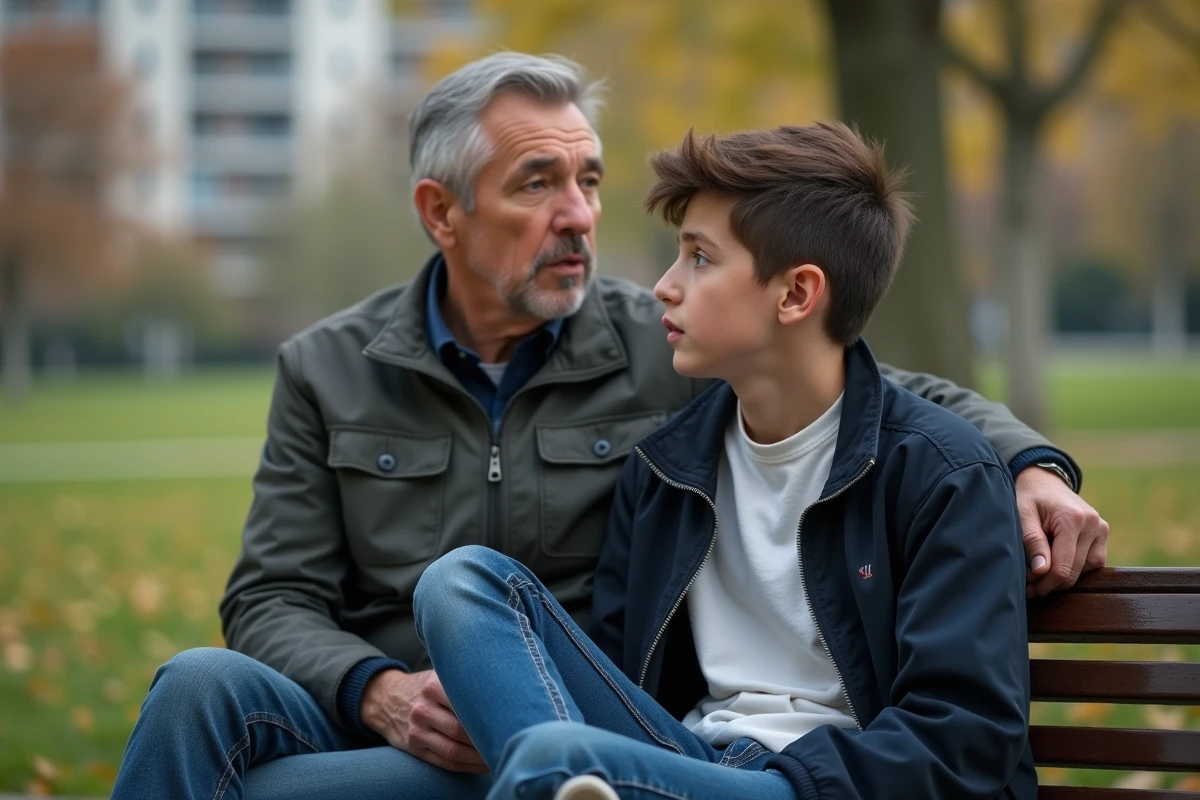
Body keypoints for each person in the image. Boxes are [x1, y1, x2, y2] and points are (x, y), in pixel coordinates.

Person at [110, 54, 1102, 800]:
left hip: (587, 729)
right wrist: (375, 689)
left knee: (535, 726)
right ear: (441, 213)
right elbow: (271, 595)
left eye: (588, 179)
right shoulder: (326, 366)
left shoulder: (664, 347)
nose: (580, 214)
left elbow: (861, 384)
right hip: (401, 720)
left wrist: (1031, 463)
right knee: (200, 686)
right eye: (538, 183)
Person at [413, 121, 1036, 800]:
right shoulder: (663, 471)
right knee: (461, 586)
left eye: (699, 258)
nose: (664, 286)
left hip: (820, 788)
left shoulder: (942, 475)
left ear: (796, 294)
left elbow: (962, 740)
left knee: (552, 759)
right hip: (684, 762)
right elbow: (625, 691)